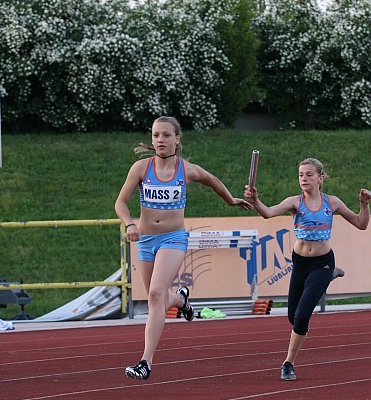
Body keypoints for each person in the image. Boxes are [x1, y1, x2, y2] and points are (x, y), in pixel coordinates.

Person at [115, 116, 252, 380]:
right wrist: (129, 224)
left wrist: (230, 201)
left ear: (177, 138)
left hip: (173, 239)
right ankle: (181, 300)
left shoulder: (186, 170)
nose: (160, 140)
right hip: (145, 240)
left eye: (166, 135)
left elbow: (212, 180)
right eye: (156, 135)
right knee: (161, 298)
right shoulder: (141, 168)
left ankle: (146, 362)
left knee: (155, 295)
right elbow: (121, 202)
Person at [244, 158, 371, 381]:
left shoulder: (332, 203)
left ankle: (288, 363)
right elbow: (268, 212)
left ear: (320, 178)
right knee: (293, 316)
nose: (304, 178)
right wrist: (255, 201)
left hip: (322, 262)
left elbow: (361, 224)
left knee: (302, 316)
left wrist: (364, 204)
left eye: (309, 174)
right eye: (301, 174)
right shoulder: (295, 202)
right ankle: (327, 279)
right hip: (300, 263)